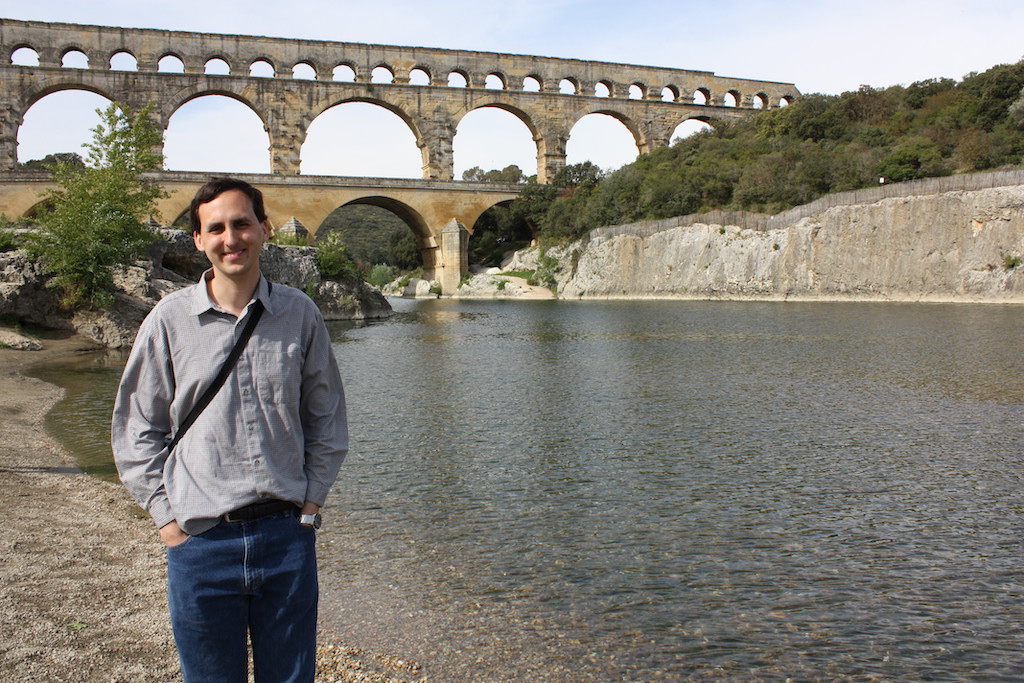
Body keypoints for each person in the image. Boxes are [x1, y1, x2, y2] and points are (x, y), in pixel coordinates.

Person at [111, 177, 348, 682]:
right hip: (200, 542)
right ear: (198, 240)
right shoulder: (168, 320)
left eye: (242, 223)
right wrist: (166, 520)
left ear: (264, 229)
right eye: (215, 227)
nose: (230, 237)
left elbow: (326, 417)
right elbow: (136, 428)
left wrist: (312, 501)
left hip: (286, 537)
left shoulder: (299, 313)